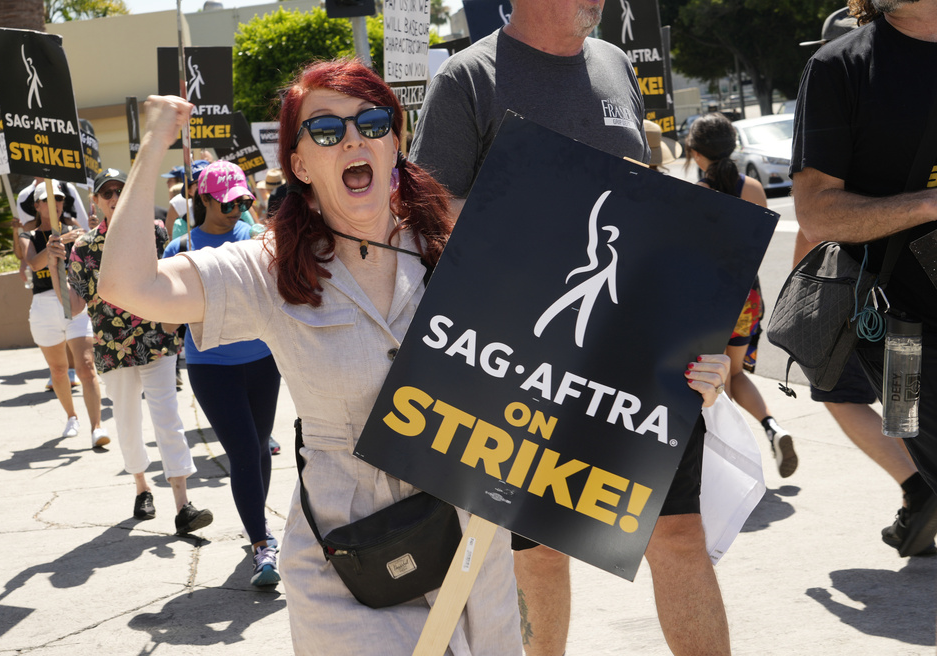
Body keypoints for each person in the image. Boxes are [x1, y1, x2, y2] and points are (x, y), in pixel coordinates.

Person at [97, 59, 719, 654]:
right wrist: (153, 145)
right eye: (325, 129)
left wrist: (681, 372)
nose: (352, 140)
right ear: (300, 163)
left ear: (396, 142)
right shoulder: (263, 268)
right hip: (351, 559)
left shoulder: (461, 241)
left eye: (371, 125)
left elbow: (584, 338)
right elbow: (127, 286)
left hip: (471, 546)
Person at [410, 1, 732, 654]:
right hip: (526, 361)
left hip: (635, 347)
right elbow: (428, 216)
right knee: (539, 551)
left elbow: (642, 191)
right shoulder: (466, 78)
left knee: (677, 533)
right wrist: (555, 203)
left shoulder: (614, 63)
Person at [791, 0, 937, 556]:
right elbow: (817, 215)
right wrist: (927, 205)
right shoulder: (839, 67)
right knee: (908, 436)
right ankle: (914, 490)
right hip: (905, 332)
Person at [47, 168, 214, 535]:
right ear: (96, 201)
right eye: (106, 192)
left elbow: (170, 275)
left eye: (120, 190)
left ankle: (183, 503)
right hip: (111, 346)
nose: (113, 197)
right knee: (126, 419)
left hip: (156, 339)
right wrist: (54, 264)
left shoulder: (152, 232)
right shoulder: (84, 247)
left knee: (167, 416)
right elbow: (72, 307)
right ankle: (142, 487)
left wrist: (177, 319)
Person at [162, 160, 282, 585]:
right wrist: (187, 283)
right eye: (228, 203)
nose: (237, 210)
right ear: (204, 199)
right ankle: (262, 543)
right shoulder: (181, 248)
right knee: (245, 453)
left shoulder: (254, 237)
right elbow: (165, 324)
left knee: (261, 450)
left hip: (263, 361)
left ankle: (257, 524)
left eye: (243, 201)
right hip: (212, 367)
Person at [685, 113, 799, 478]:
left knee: (713, 380)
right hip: (748, 297)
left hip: (711, 302)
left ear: (696, 153)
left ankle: (728, 464)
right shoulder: (752, 187)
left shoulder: (698, 195)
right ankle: (771, 427)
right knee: (734, 372)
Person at [18, 183, 106, 446]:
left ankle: (97, 427)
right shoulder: (28, 235)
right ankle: (71, 416)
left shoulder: (74, 231)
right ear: (37, 205)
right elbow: (33, 263)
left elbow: (95, 255)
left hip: (73, 300)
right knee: (58, 369)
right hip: (44, 306)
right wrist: (55, 244)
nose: (55, 203)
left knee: (86, 366)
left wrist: (94, 230)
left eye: (59, 198)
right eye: (47, 199)